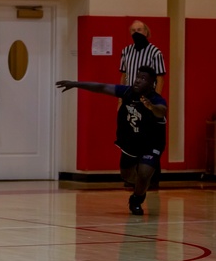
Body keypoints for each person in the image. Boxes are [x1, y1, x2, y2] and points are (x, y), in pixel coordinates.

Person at [56, 66, 167, 215]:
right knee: (127, 176)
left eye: (143, 79)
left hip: (152, 143)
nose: (138, 81)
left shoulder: (156, 100)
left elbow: (161, 111)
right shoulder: (127, 92)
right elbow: (102, 87)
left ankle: (137, 199)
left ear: (152, 83)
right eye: (138, 77)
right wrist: (76, 84)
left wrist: (151, 107)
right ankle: (142, 183)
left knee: (144, 172)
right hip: (131, 141)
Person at [119, 20, 166, 92]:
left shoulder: (155, 52)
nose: (136, 33)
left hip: (147, 96)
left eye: (139, 30)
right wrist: (121, 98)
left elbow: (160, 79)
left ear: (146, 32)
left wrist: (156, 99)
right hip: (130, 95)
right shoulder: (126, 51)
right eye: (133, 30)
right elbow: (124, 75)